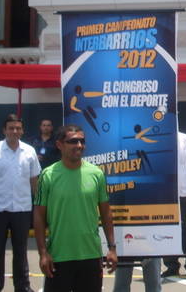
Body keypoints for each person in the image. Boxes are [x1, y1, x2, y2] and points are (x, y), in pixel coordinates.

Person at [33, 124, 117, 291]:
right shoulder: (47, 175)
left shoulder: (96, 174)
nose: (79, 145)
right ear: (59, 145)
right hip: (58, 257)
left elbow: (106, 213)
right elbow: (39, 216)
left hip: (91, 256)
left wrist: (112, 248)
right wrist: (43, 253)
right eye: (73, 141)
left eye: (82, 141)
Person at [0, 113, 40, 292]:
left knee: (21, 251)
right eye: (11, 128)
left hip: (21, 209)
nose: (14, 131)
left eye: (18, 128)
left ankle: (23, 287)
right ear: (4, 130)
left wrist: (38, 205)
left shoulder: (29, 151)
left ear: (22, 131)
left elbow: (34, 181)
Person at [161, 131, 186, 279]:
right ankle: (171, 266)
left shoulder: (185, 138)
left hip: (183, 192)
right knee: (166, 231)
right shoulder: (157, 136)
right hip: (164, 194)